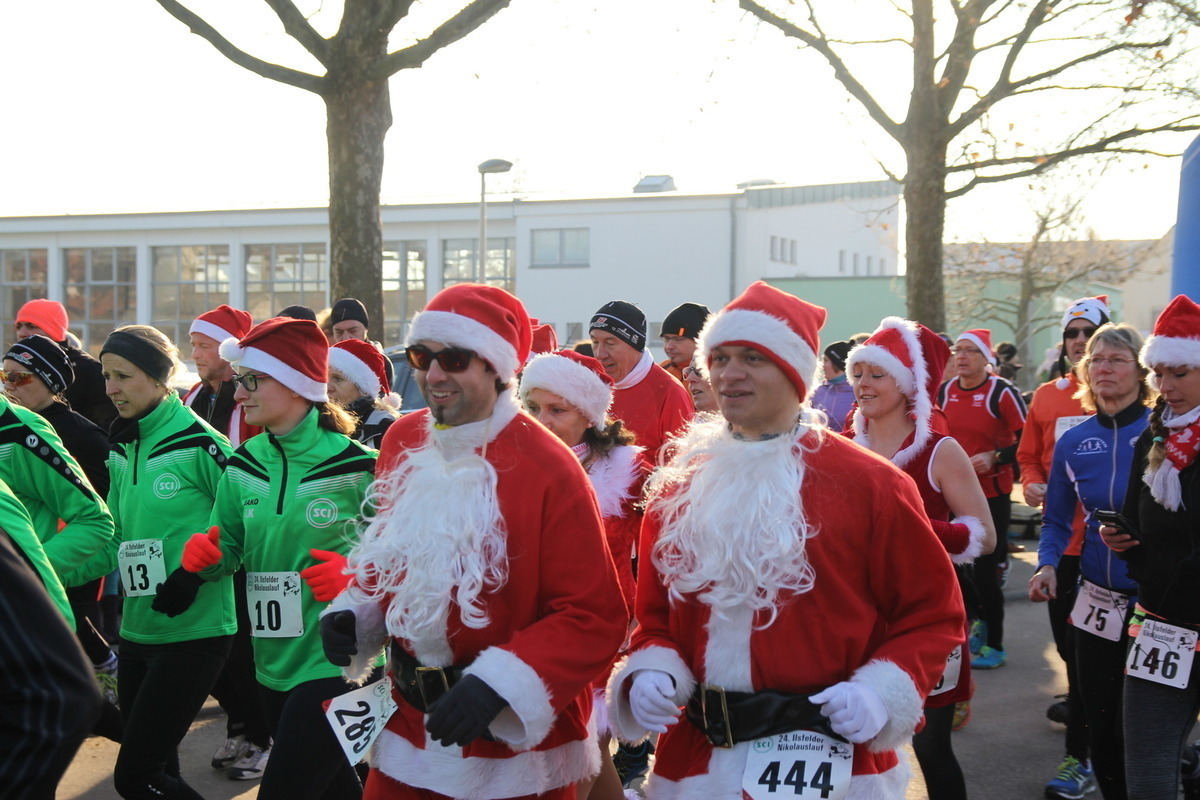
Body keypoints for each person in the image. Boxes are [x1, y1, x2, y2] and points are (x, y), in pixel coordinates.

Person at [606, 281, 964, 799]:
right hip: (699, 763)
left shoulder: (873, 484)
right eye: (720, 357)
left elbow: (932, 614)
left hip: (831, 760)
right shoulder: (678, 484)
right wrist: (652, 669)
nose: (728, 373)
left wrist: (882, 692)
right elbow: (657, 617)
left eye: (753, 357)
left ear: (796, 373)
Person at [321, 283, 628, 800]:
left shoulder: (550, 466)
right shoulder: (402, 437)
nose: (433, 374)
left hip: (510, 752)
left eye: (455, 358)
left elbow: (594, 615)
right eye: (422, 356)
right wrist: (358, 610)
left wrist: (501, 683)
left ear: (497, 368)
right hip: (407, 731)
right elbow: (391, 552)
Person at [180, 316, 380, 799]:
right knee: (336, 792)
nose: (238, 393)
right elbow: (228, 551)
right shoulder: (243, 465)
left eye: (253, 380)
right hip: (268, 662)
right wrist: (204, 558)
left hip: (339, 666)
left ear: (294, 384)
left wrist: (358, 576)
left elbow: (409, 561)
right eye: (240, 380)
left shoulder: (360, 467)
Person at [845, 317, 995, 800]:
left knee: (931, 748)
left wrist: (913, 528)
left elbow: (985, 536)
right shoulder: (849, 444)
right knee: (853, 745)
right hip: (860, 613)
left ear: (907, 384)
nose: (863, 385)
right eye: (859, 373)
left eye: (877, 374)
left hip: (927, 616)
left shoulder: (939, 449)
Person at [96, 324, 238, 800]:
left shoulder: (201, 442)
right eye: (106, 376)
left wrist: (195, 574)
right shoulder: (122, 445)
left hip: (194, 635)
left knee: (135, 777)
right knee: (160, 774)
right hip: (136, 633)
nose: (111, 388)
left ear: (159, 379)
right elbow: (112, 535)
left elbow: (247, 522)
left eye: (123, 375)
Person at [520, 349, 651, 798]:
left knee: (577, 761)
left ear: (590, 416)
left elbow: (659, 551)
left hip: (602, 632)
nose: (543, 419)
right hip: (532, 631)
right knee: (585, 767)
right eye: (533, 407)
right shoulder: (512, 463)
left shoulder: (629, 471)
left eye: (557, 409)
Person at [1028, 323, 1151, 800]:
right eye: (1096, 359)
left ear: (1141, 372)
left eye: (1117, 359)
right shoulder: (1074, 442)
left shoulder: (1164, 433)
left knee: (1145, 725)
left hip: (1157, 605)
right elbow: (1057, 520)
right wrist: (1046, 565)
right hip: (1097, 600)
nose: (1103, 368)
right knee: (1099, 721)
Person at [1100, 295, 1200, 800]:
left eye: (1179, 373)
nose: (1165, 387)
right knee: (1148, 778)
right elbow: (1141, 522)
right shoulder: (1154, 433)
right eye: (1158, 374)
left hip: (1176, 614)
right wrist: (1124, 542)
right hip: (1159, 626)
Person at [3, 335, 122, 722]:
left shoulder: (61, 433)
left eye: (19, 377)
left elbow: (103, 514)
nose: (8, 384)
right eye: (4, 375)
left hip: (69, 562)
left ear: (49, 381)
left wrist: (33, 572)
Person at [1017, 294, 1109, 792]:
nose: (1078, 343)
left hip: (1115, 554)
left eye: (1087, 334)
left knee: (1103, 655)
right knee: (1073, 651)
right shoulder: (1048, 397)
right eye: (1072, 334)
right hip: (1062, 548)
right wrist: (1032, 481)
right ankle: (1087, 733)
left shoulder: (1130, 399)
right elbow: (1029, 456)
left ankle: (1091, 749)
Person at [182, 304, 271, 779]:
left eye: (202, 344)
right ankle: (239, 725)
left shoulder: (251, 397)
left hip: (245, 541)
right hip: (207, 541)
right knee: (219, 647)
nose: (193, 352)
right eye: (192, 343)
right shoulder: (195, 395)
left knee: (244, 647)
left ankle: (263, 736)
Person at [0, 481, 102, 800]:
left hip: (45, 625)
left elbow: (99, 522)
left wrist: (44, 573)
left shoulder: (26, 430)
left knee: (138, 770)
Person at [938, 327, 1027, 669]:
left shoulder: (1000, 392)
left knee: (986, 570)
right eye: (957, 350)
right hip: (952, 493)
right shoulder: (945, 393)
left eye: (970, 351)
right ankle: (977, 619)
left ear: (986, 358)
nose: (961, 357)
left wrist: (996, 457)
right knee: (955, 566)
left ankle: (995, 644)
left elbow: (1027, 441)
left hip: (992, 493)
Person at [590, 300, 692, 463]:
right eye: (595, 342)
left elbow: (681, 468)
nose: (600, 353)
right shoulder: (591, 386)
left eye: (610, 343)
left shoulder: (668, 391)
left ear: (635, 345)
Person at [15, 298, 116, 430]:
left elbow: (109, 425)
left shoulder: (88, 370)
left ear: (53, 329)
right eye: (18, 326)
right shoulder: (16, 365)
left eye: (31, 326)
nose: (22, 333)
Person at [183, 304, 261, 448]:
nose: (195, 355)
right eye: (194, 346)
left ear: (229, 350)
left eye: (204, 346)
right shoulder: (192, 395)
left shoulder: (253, 398)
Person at [328, 338, 402, 449]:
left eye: (338, 379)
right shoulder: (316, 421)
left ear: (362, 389)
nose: (327, 387)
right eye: (324, 377)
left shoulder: (386, 427)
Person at [329, 297, 394, 390]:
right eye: (339, 332)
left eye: (353, 331)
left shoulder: (382, 363)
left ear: (365, 329)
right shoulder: (328, 363)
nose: (346, 338)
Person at [658, 302, 710, 384]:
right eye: (667, 339)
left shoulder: (717, 374)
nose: (669, 346)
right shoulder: (660, 373)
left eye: (678, 339)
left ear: (701, 341)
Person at [811, 340, 854, 432]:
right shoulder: (817, 391)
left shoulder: (857, 392)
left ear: (837, 364)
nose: (822, 365)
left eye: (826, 360)